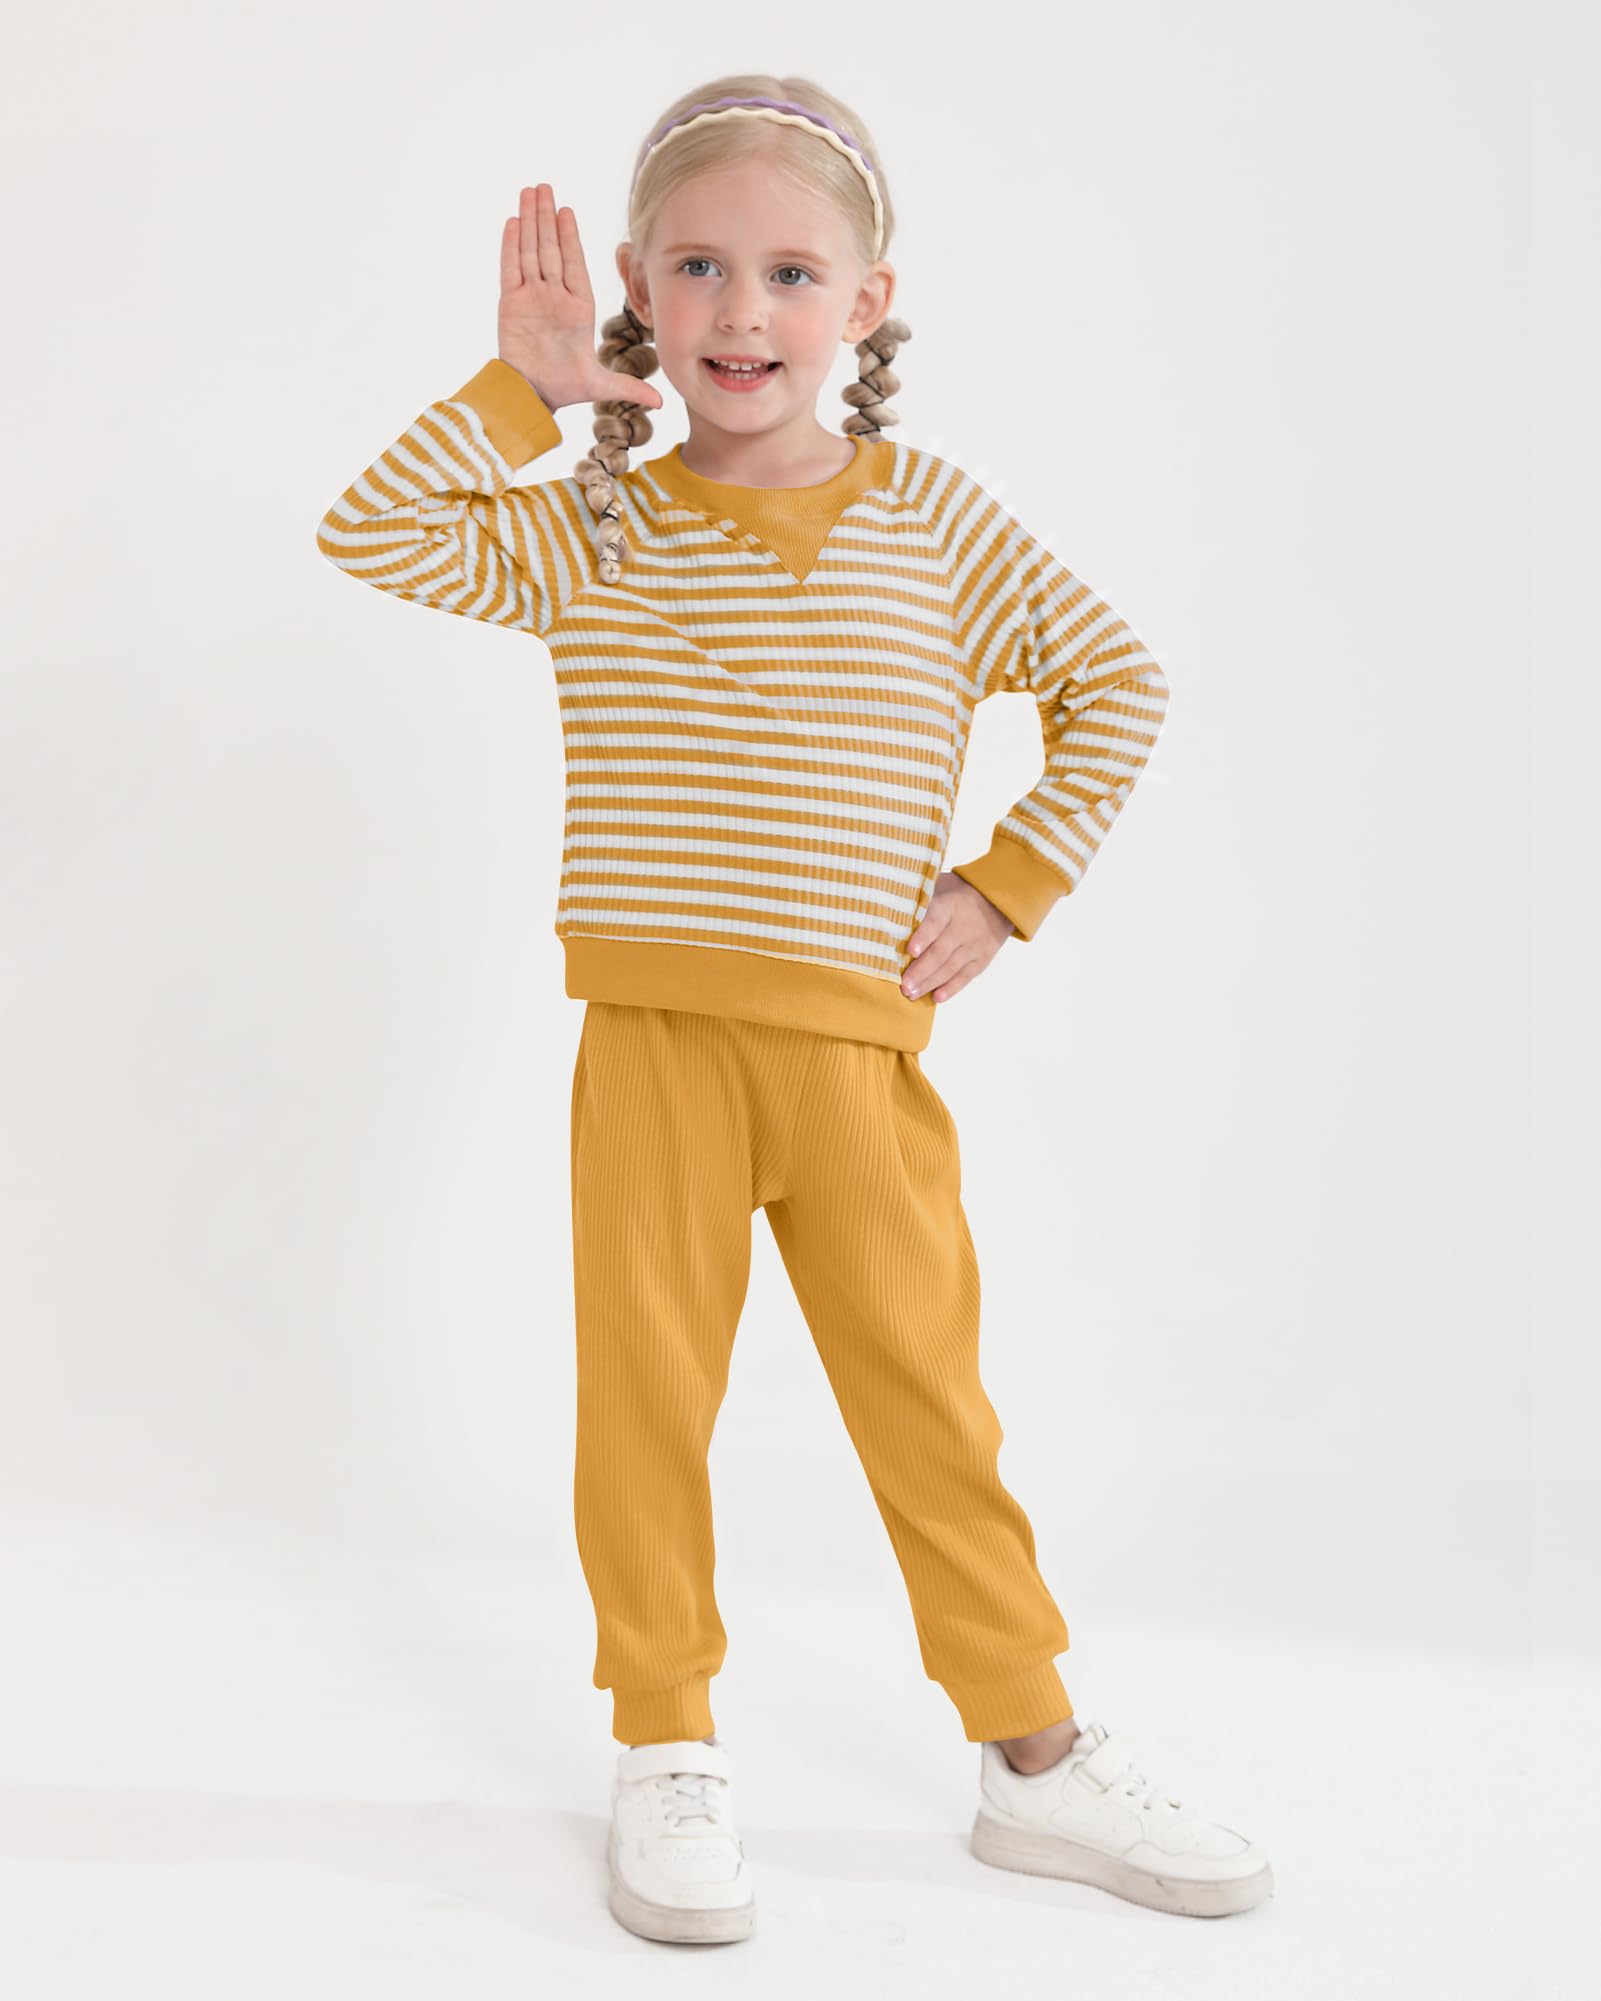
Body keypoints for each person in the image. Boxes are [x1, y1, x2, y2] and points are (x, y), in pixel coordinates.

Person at [314, 72, 1274, 1944]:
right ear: (639, 297)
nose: (739, 310)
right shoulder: (596, 530)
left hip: (855, 1058)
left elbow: (1117, 680)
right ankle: (665, 1744)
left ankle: (1033, 1752)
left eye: (786, 273)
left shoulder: (938, 527)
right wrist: (524, 392)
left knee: (927, 1404)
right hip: (652, 1047)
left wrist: (1006, 882)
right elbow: (376, 530)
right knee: (644, 1405)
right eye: (694, 268)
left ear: (866, 302)